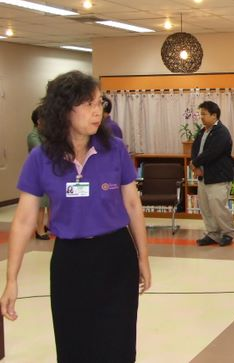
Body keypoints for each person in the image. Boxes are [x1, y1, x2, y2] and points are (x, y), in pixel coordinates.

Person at [1, 70, 151, 363]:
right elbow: (23, 220)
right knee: (74, 344)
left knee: (118, 344)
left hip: (116, 255)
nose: (97, 111)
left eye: (99, 103)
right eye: (88, 104)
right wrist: (11, 279)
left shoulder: (114, 149)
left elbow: (133, 205)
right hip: (70, 260)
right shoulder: (41, 158)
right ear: (64, 110)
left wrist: (143, 258)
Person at [190, 100, 234, 247]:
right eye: (201, 114)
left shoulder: (222, 132)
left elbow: (212, 153)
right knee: (205, 208)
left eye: (204, 114)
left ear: (214, 115)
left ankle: (228, 233)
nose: (201, 117)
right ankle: (213, 233)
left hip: (218, 176)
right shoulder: (203, 131)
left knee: (218, 207)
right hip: (204, 176)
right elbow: (195, 149)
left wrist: (195, 163)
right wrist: (195, 165)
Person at [27, 106, 50, 240]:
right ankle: (39, 230)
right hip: (38, 174)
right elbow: (40, 151)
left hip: (49, 172)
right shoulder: (33, 135)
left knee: (51, 202)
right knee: (41, 205)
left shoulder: (47, 134)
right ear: (39, 120)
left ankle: (51, 226)